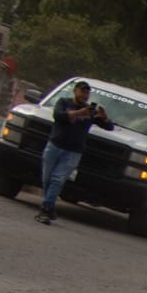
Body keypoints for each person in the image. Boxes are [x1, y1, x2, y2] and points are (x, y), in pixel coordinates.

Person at [36, 80, 113, 225]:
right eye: (82, 91)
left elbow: (109, 127)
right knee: (47, 178)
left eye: (87, 93)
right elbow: (59, 116)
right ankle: (50, 206)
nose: (85, 95)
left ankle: (45, 210)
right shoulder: (64, 102)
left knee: (57, 179)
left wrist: (104, 118)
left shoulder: (90, 111)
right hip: (54, 146)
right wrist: (79, 113)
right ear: (75, 91)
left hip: (73, 152)